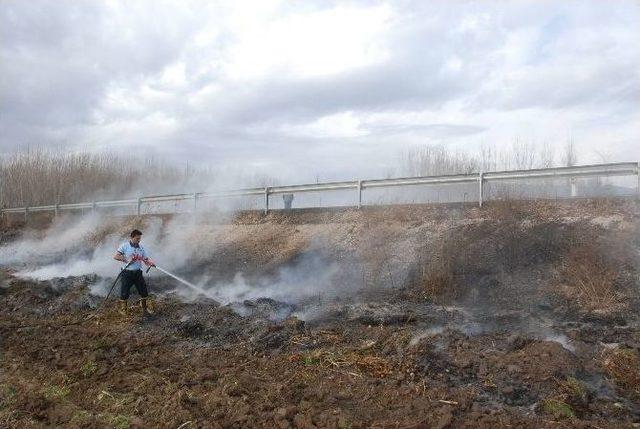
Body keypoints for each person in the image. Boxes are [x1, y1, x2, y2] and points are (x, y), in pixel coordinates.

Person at [113, 229, 156, 316]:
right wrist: (126, 259)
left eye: (139, 239)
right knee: (124, 292)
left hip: (138, 273)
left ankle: (144, 308)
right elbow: (116, 256)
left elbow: (145, 259)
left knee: (144, 291)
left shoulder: (141, 248)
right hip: (127, 273)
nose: (139, 240)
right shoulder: (124, 246)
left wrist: (150, 263)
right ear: (132, 237)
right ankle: (123, 310)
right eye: (137, 238)